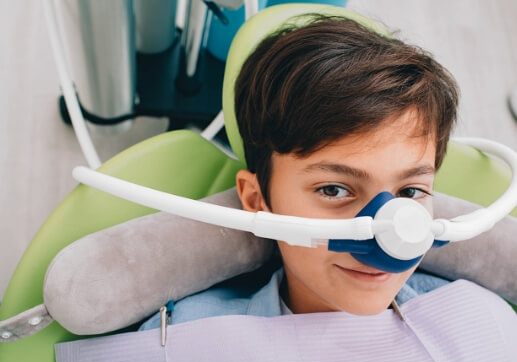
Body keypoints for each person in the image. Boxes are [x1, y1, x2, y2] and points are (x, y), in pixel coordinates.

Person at [140, 13, 458, 326]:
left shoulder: (479, 324)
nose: (386, 235)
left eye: (410, 192)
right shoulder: (187, 340)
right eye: (334, 190)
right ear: (256, 199)